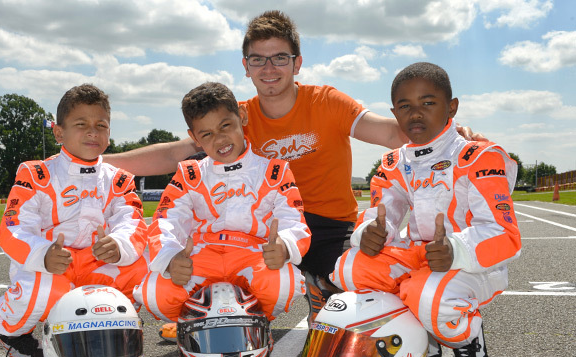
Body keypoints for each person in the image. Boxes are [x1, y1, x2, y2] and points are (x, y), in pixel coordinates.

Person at [104, 10, 482, 321]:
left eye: (280, 57)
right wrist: (100, 161)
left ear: (297, 62)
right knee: (216, 262)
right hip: (261, 230)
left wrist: (452, 135)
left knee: (360, 285)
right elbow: (174, 154)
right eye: (258, 59)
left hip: (329, 224)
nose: (269, 68)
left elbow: (389, 133)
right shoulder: (236, 118)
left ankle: (323, 283)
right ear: (246, 66)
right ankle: (206, 307)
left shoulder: (327, 102)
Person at [329, 62, 521, 357]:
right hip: (420, 256)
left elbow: (505, 236)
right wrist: (370, 231)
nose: (416, 113)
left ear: (451, 107)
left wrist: (455, 249)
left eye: (428, 103)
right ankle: (420, 338)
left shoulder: (478, 156)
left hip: (470, 263)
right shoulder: (394, 161)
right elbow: (382, 211)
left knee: (429, 296)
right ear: (395, 113)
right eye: (406, 106)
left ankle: (467, 336)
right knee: (351, 266)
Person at [0, 84, 148, 357]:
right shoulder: (36, 174)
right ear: (59, 132)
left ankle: (119, 323)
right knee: (45, 291)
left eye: (101, 125)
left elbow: (132, 221)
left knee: (148, 269)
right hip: (52, 266)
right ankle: (11, 331)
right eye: (81, 124)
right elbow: (13, 228)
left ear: (109, 132)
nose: (92, 132)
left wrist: (119, 245)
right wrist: (44, 254)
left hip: (98, 262)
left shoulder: (120, 179)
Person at [133, 82, 310, 329]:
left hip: (253, 255)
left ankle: (256, 326)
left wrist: (284, 245)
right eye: (206, 134)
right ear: (194, 138)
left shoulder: (276, 171)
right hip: (200, 255)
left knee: (283, 284)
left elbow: (294, 221)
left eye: (225, 125)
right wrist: (172, 258)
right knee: (155, 293)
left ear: (242, 116)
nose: (220, 139)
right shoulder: (189, 174)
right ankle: (189, 322)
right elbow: (166, 222)